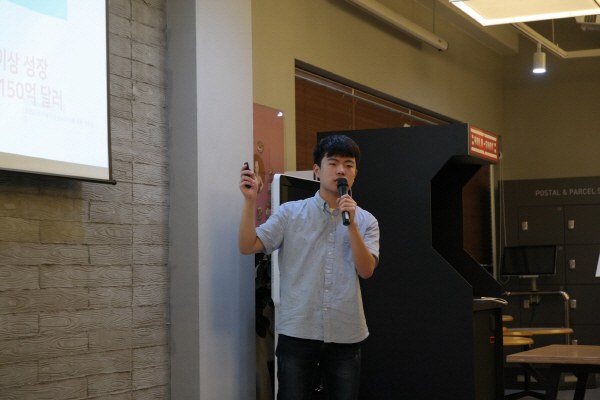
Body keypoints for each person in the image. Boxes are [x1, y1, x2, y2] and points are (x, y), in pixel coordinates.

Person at [239, 135, 380, 400]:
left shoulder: (366, 221)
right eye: (333, 163)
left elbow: (366, 270)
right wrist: (250, 201)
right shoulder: (290, 213)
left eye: (348, 165)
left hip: (345, 334)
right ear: (317, 170)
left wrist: (351, 225)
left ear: (355, 173)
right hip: (298, 331)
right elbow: (248, 246)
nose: (341, 170)